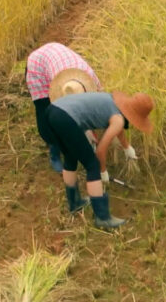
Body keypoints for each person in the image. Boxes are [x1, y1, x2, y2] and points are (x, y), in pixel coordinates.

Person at [44, 89, 153, 229]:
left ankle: (75, 203)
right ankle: (102, 217)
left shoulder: (112, 102)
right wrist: (102, 172)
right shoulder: (118, 119)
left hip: (53, 111)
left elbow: (117, 127)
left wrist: (127, 147)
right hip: (66, 118)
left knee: (71, 157)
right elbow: (101, 150)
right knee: (92, 165)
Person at [25, 43, 103, 172]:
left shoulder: (91, 81)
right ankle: (54, 151)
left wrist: (89, 130)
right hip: (39, 67)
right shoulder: (61, 90)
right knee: (47, 116)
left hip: (60, 61)